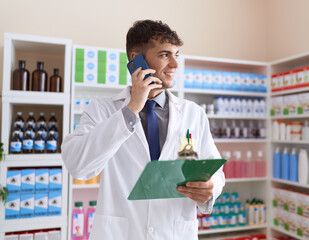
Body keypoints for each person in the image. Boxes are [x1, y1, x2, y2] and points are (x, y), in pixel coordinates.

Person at [62, 19, 225, 240]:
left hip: (173, 232)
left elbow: (214, 169)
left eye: (176, 55)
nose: (175, 65)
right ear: (136, 59)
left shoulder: (193, 113)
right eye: (165, 55)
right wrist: (131, 110)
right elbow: (78, 166)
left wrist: (210, 188)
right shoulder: (102, 110)